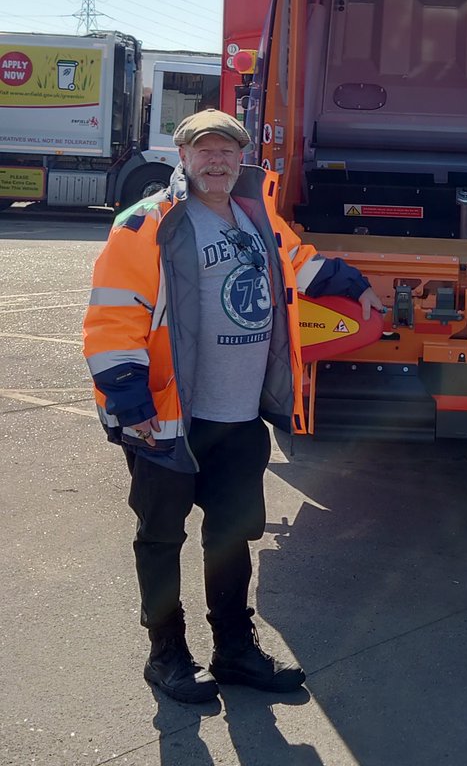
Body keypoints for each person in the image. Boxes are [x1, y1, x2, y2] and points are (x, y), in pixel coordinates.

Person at [83, 109, 383, 704]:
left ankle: (234, 651)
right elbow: (115, 313)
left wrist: (352, 283)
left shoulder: (256, 218)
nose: (216, 161)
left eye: (227, 151)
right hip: (169, 416)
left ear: (242, 157)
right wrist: (126, 394)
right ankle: (166, 654)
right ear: (182, 157)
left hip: (241, 416)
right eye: (204, 151)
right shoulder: (147, 224)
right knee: (161, 535)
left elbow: (303, 264)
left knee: (231, 537)